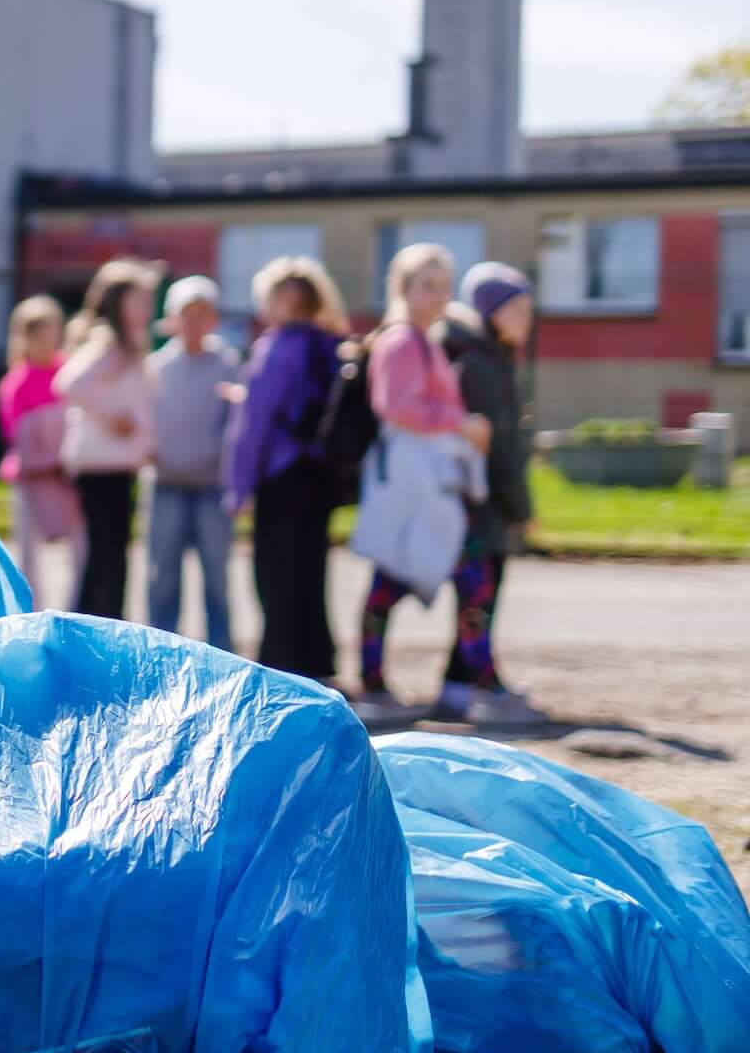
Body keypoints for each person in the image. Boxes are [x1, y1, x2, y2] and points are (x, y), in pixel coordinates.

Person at [353, 244, 494, 721]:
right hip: (419, 484)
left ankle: (377, 680)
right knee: (463, 580)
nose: (438, 295)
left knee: (400, 578)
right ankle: (479, 682)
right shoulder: (402, 342)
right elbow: (399, 407)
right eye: (427, 285)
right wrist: (463, 422)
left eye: (443, 285)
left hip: (422, 481)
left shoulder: (416, 339)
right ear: (403, 289)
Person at [223, 257, 350, 683]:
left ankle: (279, 662)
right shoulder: (330, 345)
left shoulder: (275, 348)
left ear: (278, 300)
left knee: (275, 572)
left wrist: (238, 485)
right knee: (312, 569)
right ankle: (319, 659)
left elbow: (254, 422)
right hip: (320, 474)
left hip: (281, 474)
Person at [437, 262, 545, 725]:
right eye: (517, 309)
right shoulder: (480, 365)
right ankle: (483, 685)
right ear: (490, 312)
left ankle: (457, 683)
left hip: (489, 502)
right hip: (480, 503)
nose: (526, 319)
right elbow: (497, 447)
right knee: (480, 594)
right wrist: (521, 506)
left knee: (480, 594)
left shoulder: (495, 359)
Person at [57, 260, 158, 620]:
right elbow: (70, 383)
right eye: (137, 301)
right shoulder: (111, 344)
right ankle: (99, 629)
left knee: (108, 556)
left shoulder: (127, 345)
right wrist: (113, 418)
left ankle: (98, 627)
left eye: (147, 301)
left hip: (116, 466)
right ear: (117, 303)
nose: (145, 309)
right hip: (103, 467)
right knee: (107, 558)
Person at [145, 277, 242, 651]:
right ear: (172, 319)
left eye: (203, 314)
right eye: (187, 314)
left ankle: (221, 650)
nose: (195, 323)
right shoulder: (157, 366)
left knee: (216, 575)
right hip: (167, 483)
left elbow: (237, 425)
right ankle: (160, 649)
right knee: (163, 576)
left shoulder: (228, 364)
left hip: (212, 487)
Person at [0, 295, 80, 610]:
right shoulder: (15, 383)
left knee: (78, 550)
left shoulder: (69, 372)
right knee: (29, 554)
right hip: (32, 478)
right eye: (37, 335)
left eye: (50, 333)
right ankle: (31, 612)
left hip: (67, 476)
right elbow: (16, 433)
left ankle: (75, 612)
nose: (45, 342)